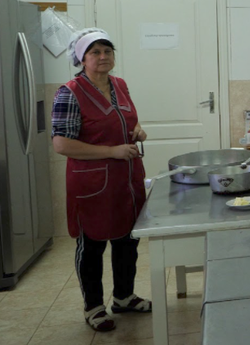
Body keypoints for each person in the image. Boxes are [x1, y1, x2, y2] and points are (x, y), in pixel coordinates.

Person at [51, 28, 151, 332]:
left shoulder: (119, 84)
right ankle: (93, 307)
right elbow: (61, 144)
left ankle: (123, 297)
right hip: (92, 185)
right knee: (92, 246)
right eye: (95, 52)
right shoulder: (69, 92)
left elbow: (126, 120)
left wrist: (139, 132)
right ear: (82, 58)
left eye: (108, 50)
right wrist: (111, 151)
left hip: (127, 179)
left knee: (127, 242)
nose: (103, 57)